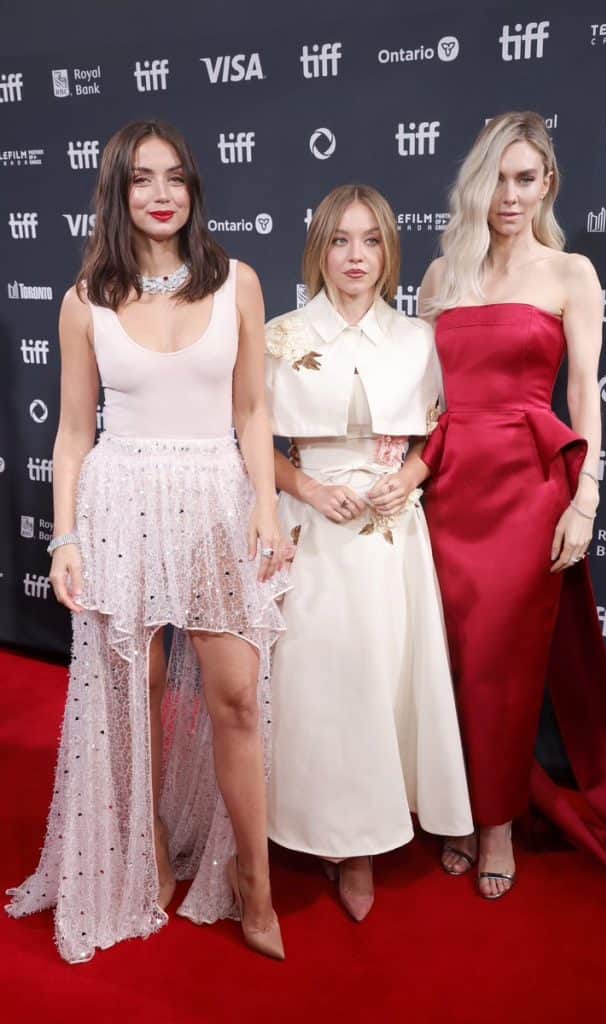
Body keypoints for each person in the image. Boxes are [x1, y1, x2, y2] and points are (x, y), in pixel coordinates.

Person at [6, 120, 288, 961]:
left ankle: (253, 883)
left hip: (213, 498)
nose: (160, 193)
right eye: (140, 179)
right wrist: (63, 538)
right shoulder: (84, 298)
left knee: (235, 694)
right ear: (117, 194)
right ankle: (151, 842)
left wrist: (266, 507)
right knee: (137, 697)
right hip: (119, 502)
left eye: (174, 177)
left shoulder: (236, 280)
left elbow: (251, 411)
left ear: (194, 189)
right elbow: (70, 434)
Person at [416, 110, 606, 898]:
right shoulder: (440, 277)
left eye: (524, 178)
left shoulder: (571, 274)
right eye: (495, 177)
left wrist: (584, 500)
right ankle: (455, 807)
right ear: (475, 183)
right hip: (447, 485)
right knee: (449, 662)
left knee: (501, 665)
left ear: (547, 185)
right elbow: (425, 400)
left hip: (530, 489)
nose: (508, 194)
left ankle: (495, 823)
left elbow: (581, 396)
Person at [264, 184, 472, 921]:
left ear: (389, 251)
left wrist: (409, 477)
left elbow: (440, 429)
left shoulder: (419, 340)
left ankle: (360, 854)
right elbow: (252, 442)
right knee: (314, 685)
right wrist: (307, 489)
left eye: (371, 240)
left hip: (389, 536)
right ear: (318, 248)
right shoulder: (279, 335)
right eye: (340, 240)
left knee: (378, 680)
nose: (355, 256)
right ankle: (315, 827)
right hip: (307, 530)